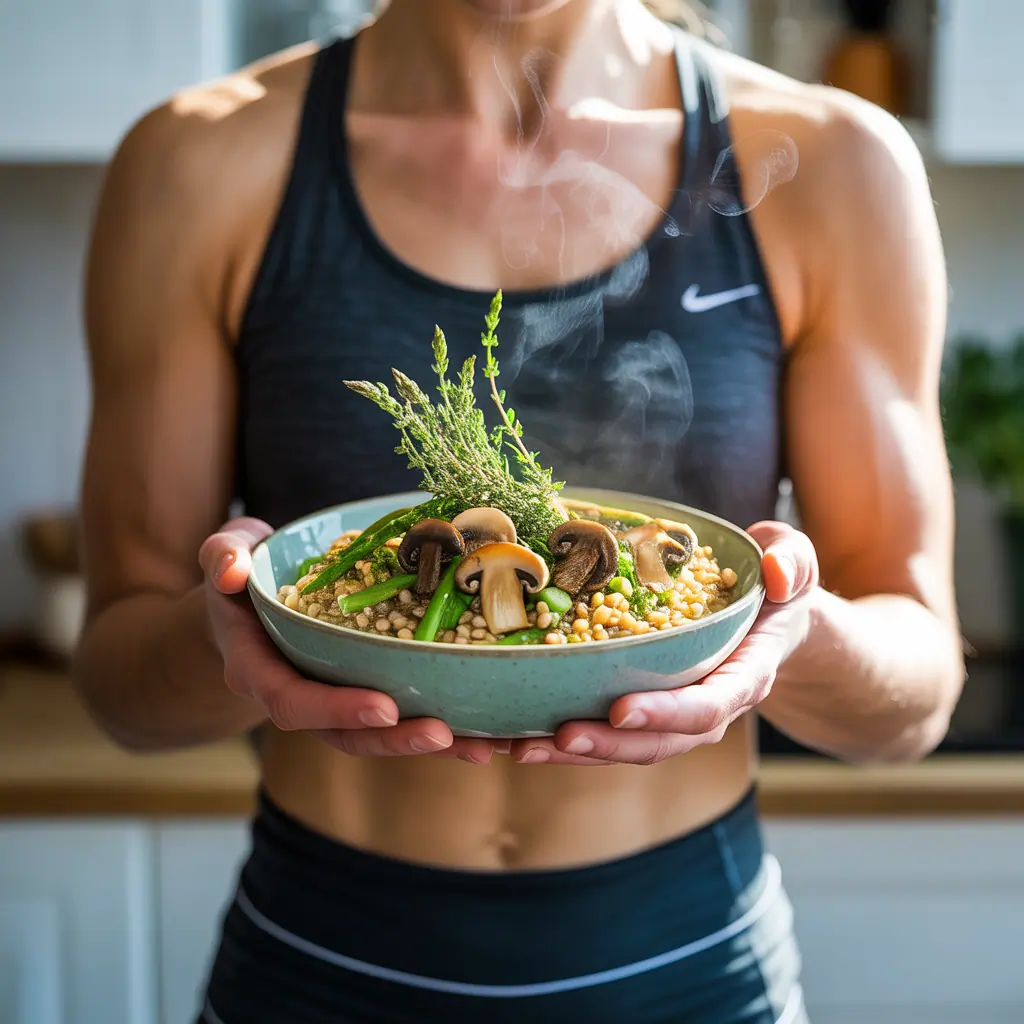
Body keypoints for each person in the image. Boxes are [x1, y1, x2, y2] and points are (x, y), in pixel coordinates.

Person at [75, 0, 965, 1021]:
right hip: (324, 958)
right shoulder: (196, 162)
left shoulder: (835, 161)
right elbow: (120, 679)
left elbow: (917, 689)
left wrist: (787, 633)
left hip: (684, 962)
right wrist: (239, 632)